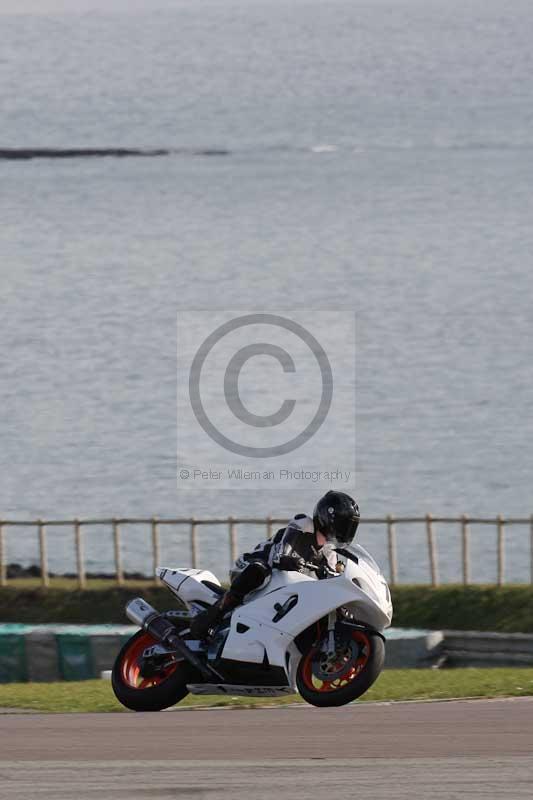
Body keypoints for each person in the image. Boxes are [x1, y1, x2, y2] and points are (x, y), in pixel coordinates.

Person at [189, 490, 360, 639]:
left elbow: (332, 579)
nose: (344, 530)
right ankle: (213, 614)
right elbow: (281, 553)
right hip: (249, 566)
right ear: (327, 517)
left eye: (348, 526)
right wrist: (286, 558)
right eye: (343, 524)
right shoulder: (304, 524)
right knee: (260, 571)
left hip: (277, 585)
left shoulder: (329, 552)